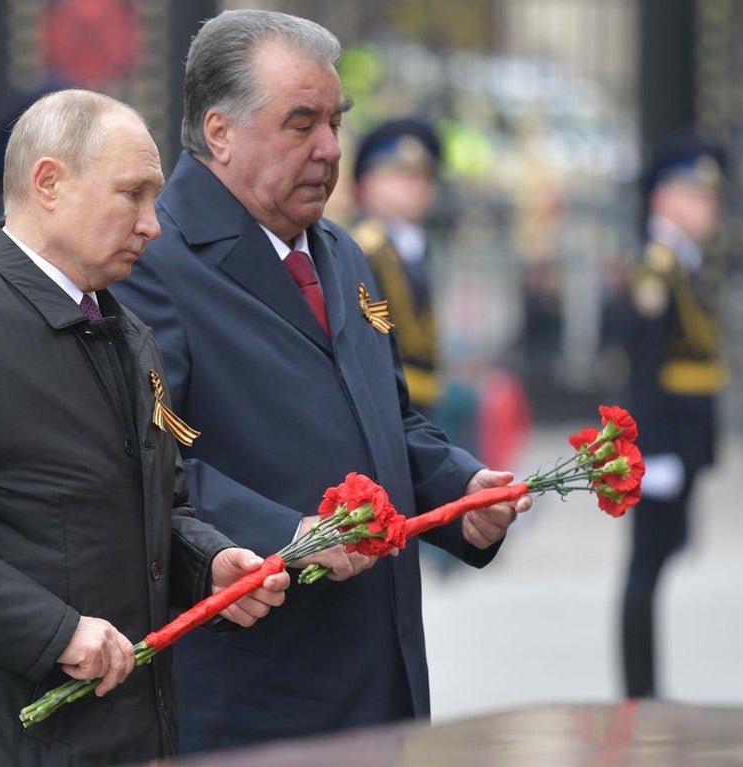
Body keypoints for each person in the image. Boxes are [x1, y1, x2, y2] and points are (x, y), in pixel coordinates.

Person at [111, 9, 531, 753]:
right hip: (259, 691)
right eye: (300, 123)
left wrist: (463, 491)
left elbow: (389, 420)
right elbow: (144, 465)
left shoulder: (339, 250)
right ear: (219, 133)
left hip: (380, 679)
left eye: (336, 122)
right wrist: (290, 536)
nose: (331, 149)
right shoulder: (155, 264)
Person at [0, 88, 289, 766]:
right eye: (130, 194)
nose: (152, 224)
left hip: (119, 731)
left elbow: (158, 503)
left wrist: (209, 564)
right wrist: (53, 632)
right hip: (1, 740)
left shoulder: (125, 330)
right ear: (49, 183)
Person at [618, 131, 725, 699]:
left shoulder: (683, 266)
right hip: (662, 444)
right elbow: (645, 373)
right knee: (645, 568)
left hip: (682, 440)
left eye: (711, 196)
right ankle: (640, 689)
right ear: (663, 199)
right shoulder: (656, 272)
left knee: (658, 563)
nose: (708, 206)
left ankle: (648, 686)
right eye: (695, 194)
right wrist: (650, 452)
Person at [351, 117, 444, 418]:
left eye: (423, 176)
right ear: (366, 184)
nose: (415, 187)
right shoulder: (361, 250)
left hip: (423, 404)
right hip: (383, 404)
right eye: (399, 175)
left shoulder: (418, 247)